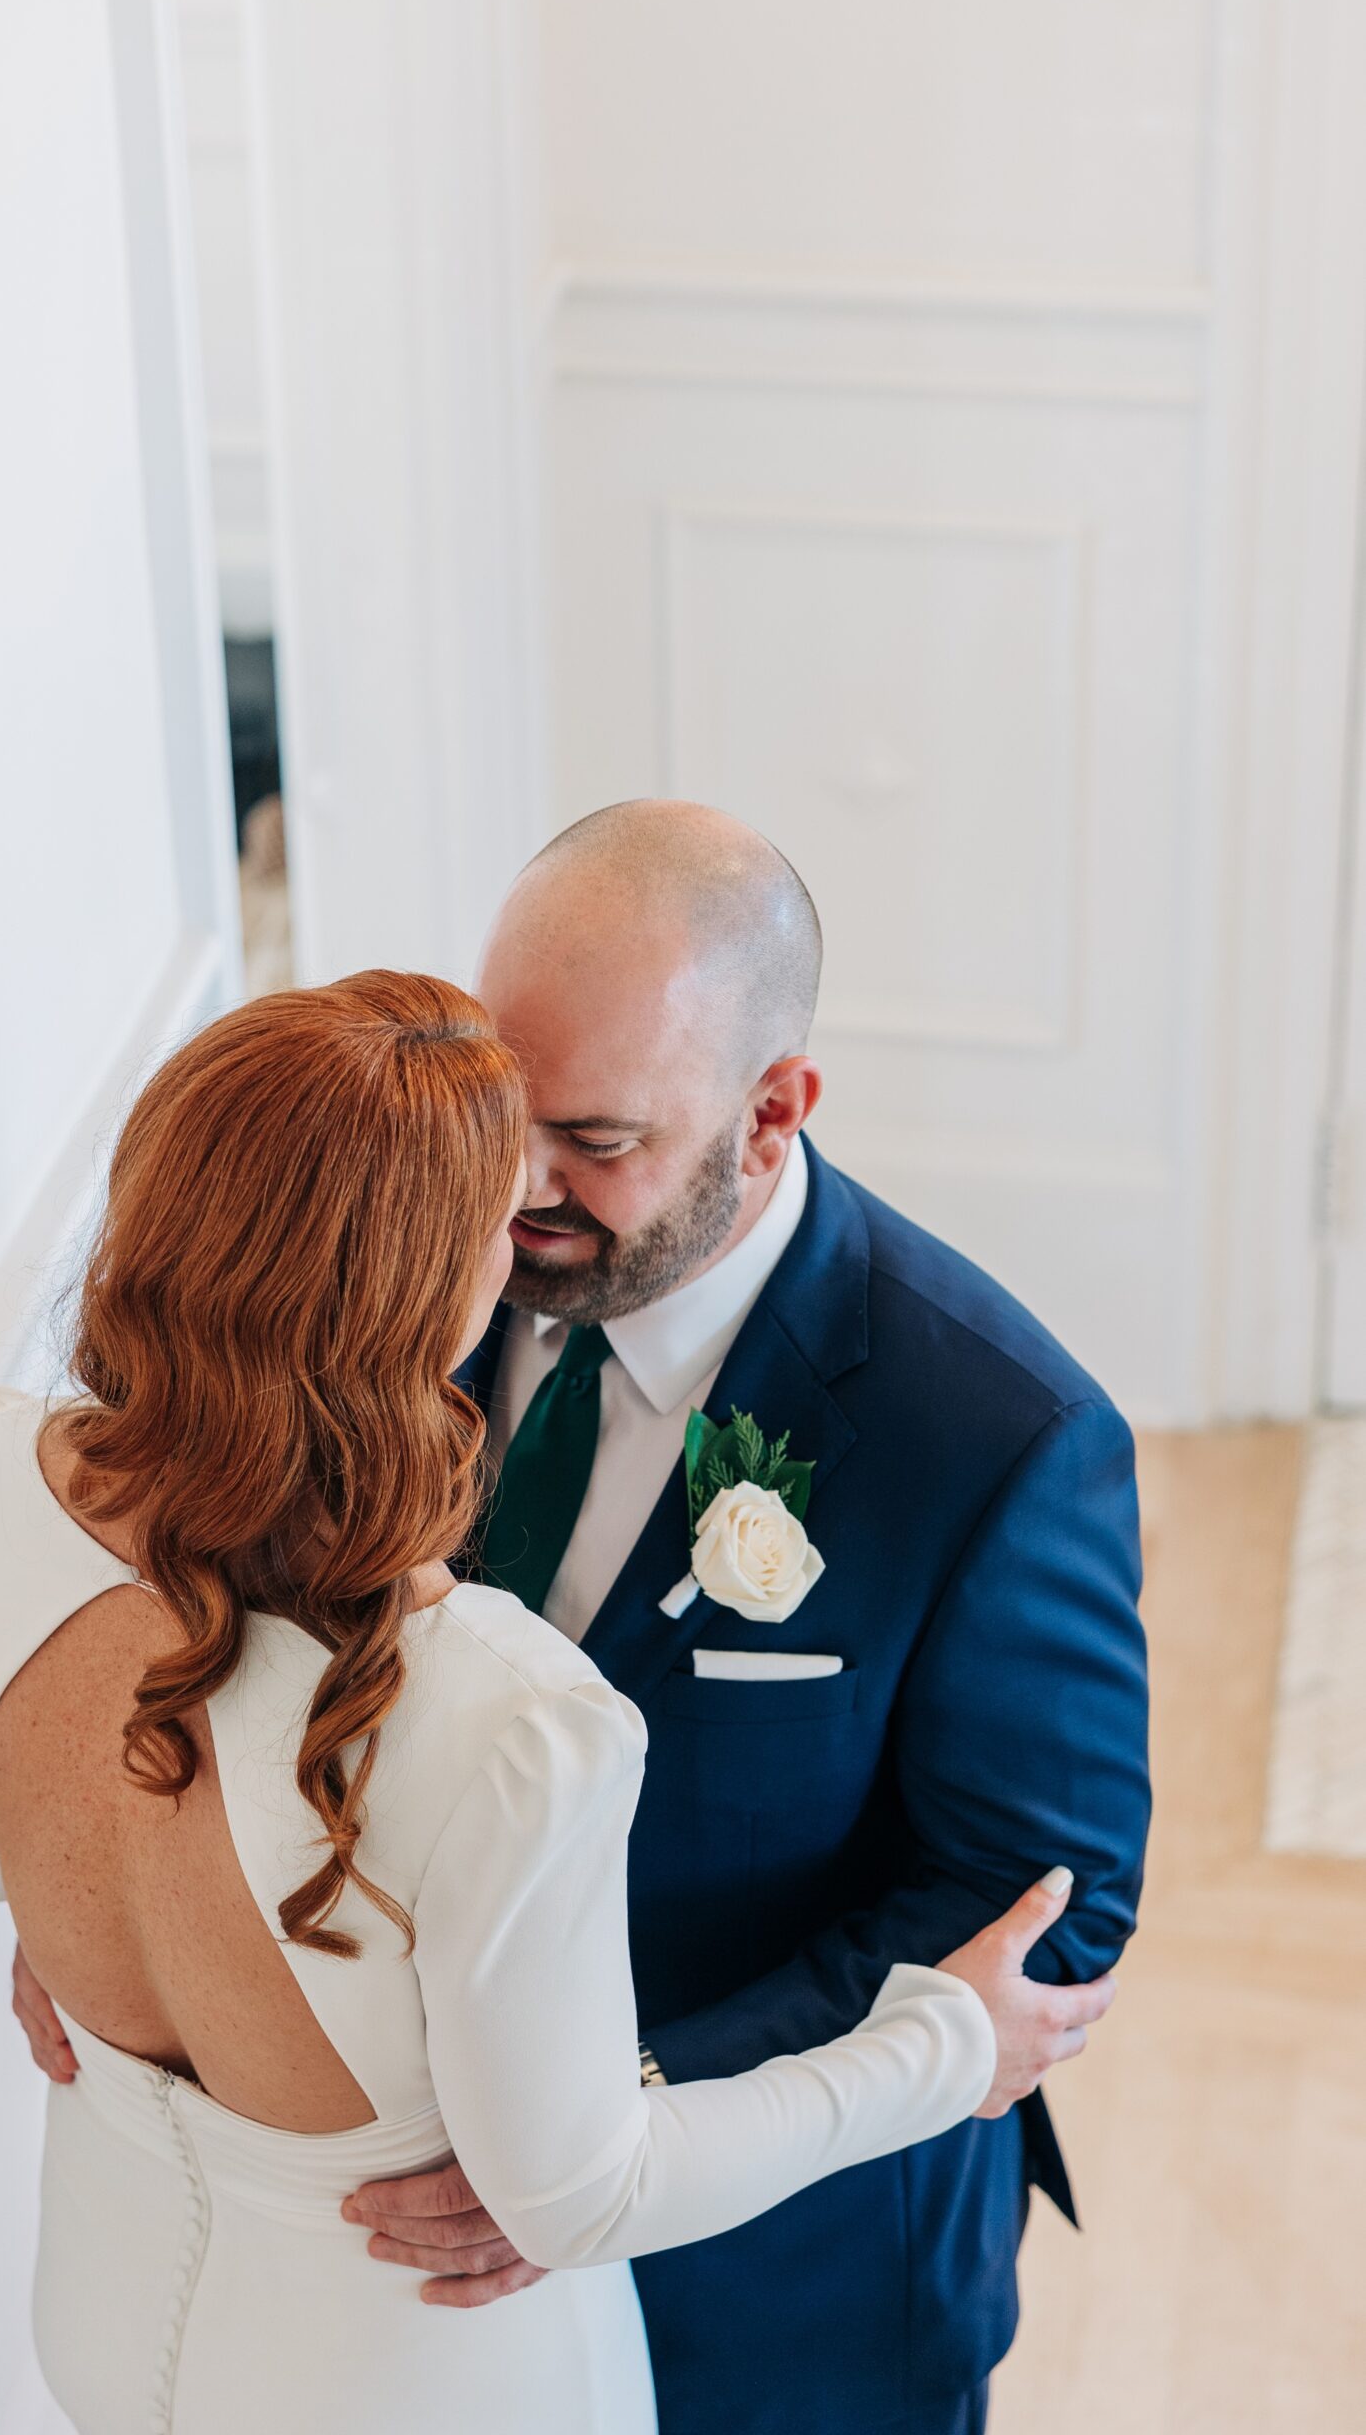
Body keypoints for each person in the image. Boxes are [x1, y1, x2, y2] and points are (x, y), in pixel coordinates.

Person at [0, 969, 1112, 2435]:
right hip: (414, 2373)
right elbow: (583, 2187)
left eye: (580, 1141)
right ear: (405, 1279)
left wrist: (102, 1931)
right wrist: (952, 2045)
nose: (532, 1201)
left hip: (106, 2302)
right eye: (501, 1176)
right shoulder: (515, 1719)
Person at [324, 806, 1153, 2435]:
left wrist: (603, 2136)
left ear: (773, 1115)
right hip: (430, 2269)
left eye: (598, 1138)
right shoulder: (429, 1272)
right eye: (504, 1111)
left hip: (794, 2286)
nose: (519, 1188)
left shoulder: (994, 1439)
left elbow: (1037, 1908)